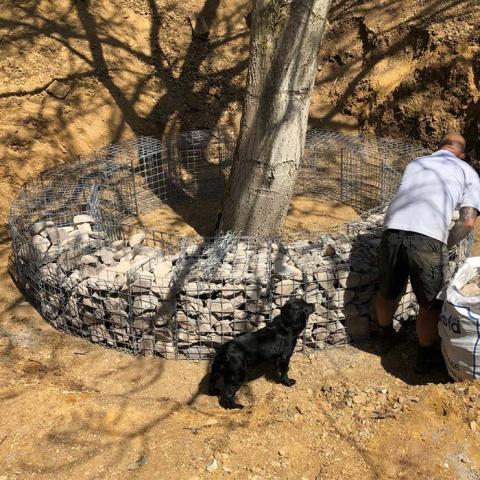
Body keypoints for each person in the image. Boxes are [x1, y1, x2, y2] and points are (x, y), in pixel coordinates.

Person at [375, 133, 480, 373]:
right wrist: (446, 243)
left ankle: (384, 336)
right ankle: (424, 356)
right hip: (428, 237)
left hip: (392, 230)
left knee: (388, 291)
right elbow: (467, 223)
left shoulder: (416, 163)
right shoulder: (467, 171)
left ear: (438, 147)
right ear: (462, 155)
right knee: (430, 304)